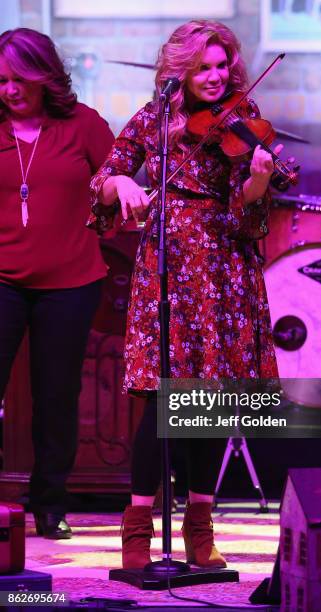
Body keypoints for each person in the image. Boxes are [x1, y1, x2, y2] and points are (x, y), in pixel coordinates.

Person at [89, 20, 279, 569]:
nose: (217, 76)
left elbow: (248, 215)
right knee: (159, 400)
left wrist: (261, 182)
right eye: (204, 67)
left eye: (223, 65)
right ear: (180, 72)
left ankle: (201, 528)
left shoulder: (243, 124)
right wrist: (121, 183)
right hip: (168, 265)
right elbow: (106, 181)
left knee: (210, 403)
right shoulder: (153, 120)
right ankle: (136, 533)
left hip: (223, 266)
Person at [0, 28, 114, 539]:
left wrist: (120, 188)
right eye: (0, 80)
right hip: (1, 278)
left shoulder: (83, 124)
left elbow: (114, 180)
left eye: (19, 78)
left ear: (45, 76)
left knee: (56, 395)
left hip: (70, 280)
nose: (8, 89)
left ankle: (49, 504)